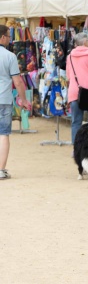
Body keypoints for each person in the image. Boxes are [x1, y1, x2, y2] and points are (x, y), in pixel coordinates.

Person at [0, 25, 31, 179]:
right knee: (3, 134)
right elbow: (18, 82)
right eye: (8, 35)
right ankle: (1, 169)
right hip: (3, 99)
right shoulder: (10, 56)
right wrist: (23, 100)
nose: (9, 39)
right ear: (2, 37)